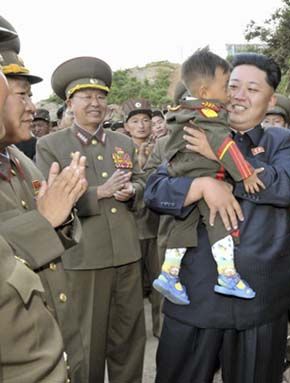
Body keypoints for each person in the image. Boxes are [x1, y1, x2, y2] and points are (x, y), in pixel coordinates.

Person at [145, 52, 290, 383]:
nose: (237, 96)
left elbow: (286, 186)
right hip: (194, 292)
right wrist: (200, 185)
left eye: (251, 89)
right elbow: (155, 190)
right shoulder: (192, 130)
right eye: (232, 86)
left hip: (259, 298)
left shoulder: (281, 140)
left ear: (271, 99)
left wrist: (221, 154)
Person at [36, 56, 146, 383]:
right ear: (70, 103)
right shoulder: (51, 145)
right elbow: (46, 201)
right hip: (84, 257)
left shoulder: (122, 141)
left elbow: (140, 180)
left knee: (129, 339)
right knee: (88, 342)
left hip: (127, 253)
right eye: (86, 97)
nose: (95, 104)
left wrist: (132, 191)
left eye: (100, 97)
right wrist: (99, 193)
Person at [0, 47, 88, 383]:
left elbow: (55, 225)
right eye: (21, 96)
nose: (32, 107)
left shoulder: (18, 159)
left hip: (52, 331)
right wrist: (44, 220)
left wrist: (63, 214)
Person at [151, 48, 262, 305]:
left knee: (182, 226)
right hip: (198, 172)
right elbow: (224, 147)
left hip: (183, 172)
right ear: (204, 93)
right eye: (227, 86)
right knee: (220, 222)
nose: (232, 94)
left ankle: (168, 274)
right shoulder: (209, 115)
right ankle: (228, 276)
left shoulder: (185, 111)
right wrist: (245, 174)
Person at [122, 98, 163, 337]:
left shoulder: (162, 146)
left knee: (161, 279)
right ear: (127, 126)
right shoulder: (118, 148)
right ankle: (133, 332)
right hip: (130, 224)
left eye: (146, 120)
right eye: (135, 121)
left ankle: (161, 328)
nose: (142, 126)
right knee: (131, 285)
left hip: (156, 223)